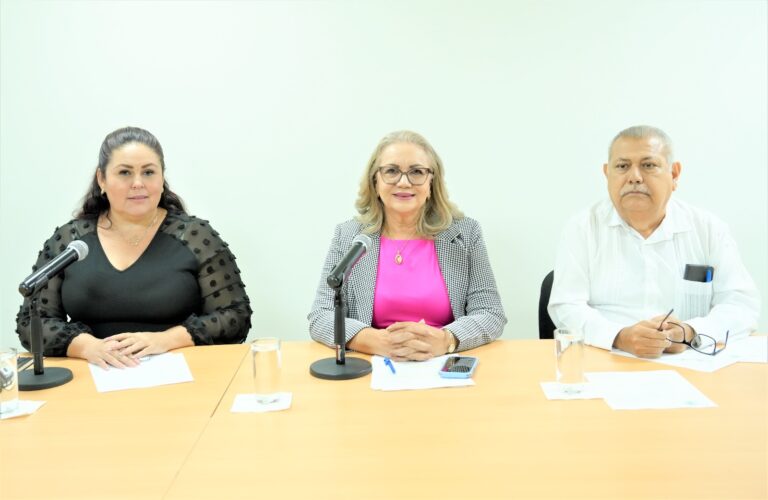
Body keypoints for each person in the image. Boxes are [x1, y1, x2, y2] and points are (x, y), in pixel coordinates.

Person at [16, 127, 252, 368]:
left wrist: (167, 339)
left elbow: (236, 316)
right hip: (93, 374)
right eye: (125, 173)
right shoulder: (71, 240)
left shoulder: (195, 236)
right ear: (102, 179)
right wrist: (86, 347)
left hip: (180, 371)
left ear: (162, 178)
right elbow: (30, 322)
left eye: (148, 172)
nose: (138, 183)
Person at [548, 125, 760, 358]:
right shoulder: (582, 228)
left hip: (691, 362)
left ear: (674, 174)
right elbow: (566, 305)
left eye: (648, 165)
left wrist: (691, 332)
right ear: (607, 174)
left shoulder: (708, 229)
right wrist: (620, 336)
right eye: (622, 166)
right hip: (607, 358)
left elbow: (741, 305)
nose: (634, 177)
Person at [308, 130, 506, 360]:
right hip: (374, 365)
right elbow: (321, 316)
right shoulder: (349, 235)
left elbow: (490, 312)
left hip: (442, 363)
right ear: (375, 181)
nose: (404, 182)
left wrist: (447, 340)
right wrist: (374, 341)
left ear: (432, 182)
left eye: (416, 172)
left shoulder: (465, 234)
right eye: (391, 171)